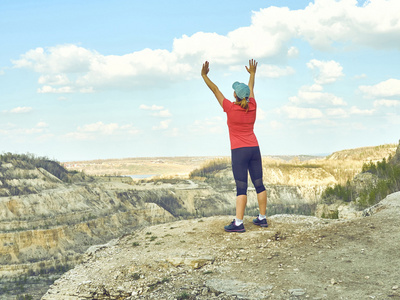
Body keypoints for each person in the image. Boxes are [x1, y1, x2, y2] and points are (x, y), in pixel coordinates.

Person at [201, 59, 268, 232]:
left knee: (241, 188)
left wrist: (204, 76)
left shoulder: (230, 108)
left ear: (235, 96)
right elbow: (251, 88)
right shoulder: (252, 105)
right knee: (259, 184)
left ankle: (238, 223)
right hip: (254, 148)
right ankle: (262, 218)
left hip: (239, 151)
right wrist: (252, 74)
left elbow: (215, 90)